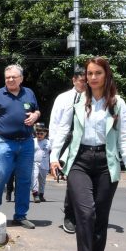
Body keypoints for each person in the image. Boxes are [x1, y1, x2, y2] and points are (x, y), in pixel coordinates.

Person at [49, 57, 126, 251]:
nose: (93, 77)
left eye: (98, 73)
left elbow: (124, 137)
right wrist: (54, 156)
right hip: (80, 161)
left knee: (100, 217)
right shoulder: (77, 100)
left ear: (106, 75)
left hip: (107, 163)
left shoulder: (117, 103)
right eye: (89, 73)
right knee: (85, 213)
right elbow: (63, 129)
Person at [0, 64, 41, 228]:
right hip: (4, 142)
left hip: (27, 142)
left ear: (21, 78)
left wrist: (35, 115)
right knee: (0, 175)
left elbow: (37, 111)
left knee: (24, 180)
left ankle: (20, 215)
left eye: (13, 77)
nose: (9, 79)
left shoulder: (29, 93)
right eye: (7, 77)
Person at [49, 68, 87, 234]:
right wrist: (54, 152)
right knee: (72, 181)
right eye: (81, 80)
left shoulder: (94, 98)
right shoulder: (63, 98)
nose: (84, 84)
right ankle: (70, 216)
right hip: (66, 144)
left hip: (86, 145)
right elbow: (55, 123)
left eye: (86, 81)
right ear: (74, 80)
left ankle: (83, 216)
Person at [31, 124, 51, 203]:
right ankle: (35, 194)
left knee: (42, 180)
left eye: (41, 134)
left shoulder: (48, 142)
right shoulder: (33, 141)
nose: (39, 135)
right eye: (37, 133)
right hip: (34, 162)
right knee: (34, 178)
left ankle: (41, 194)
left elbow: (51, 152)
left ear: (45, 133)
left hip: (44, 163)